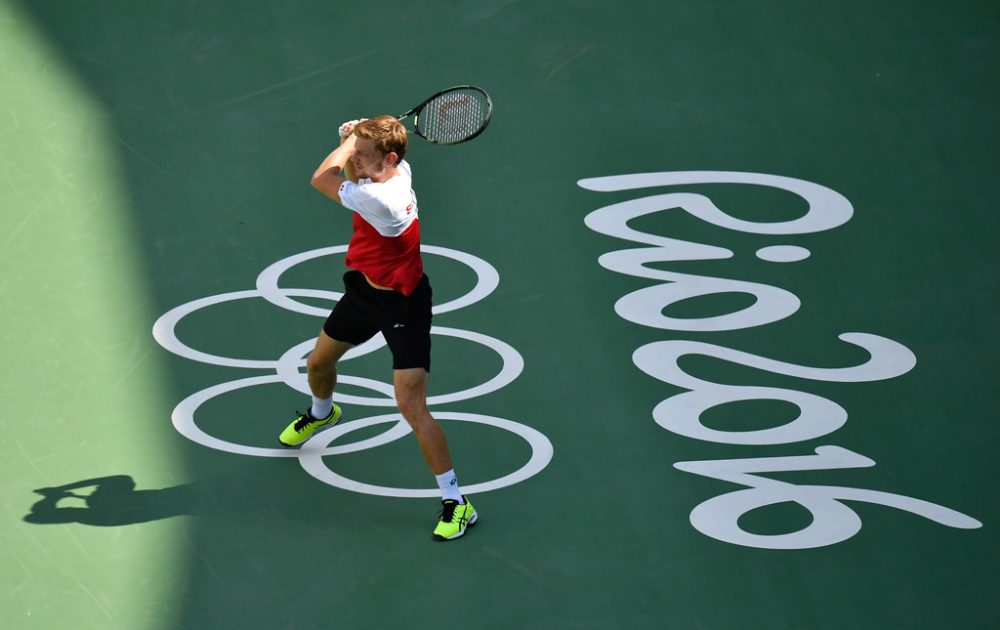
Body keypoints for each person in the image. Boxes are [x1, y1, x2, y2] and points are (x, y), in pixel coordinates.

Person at [278, 115, 476, 541]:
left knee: (411, 406)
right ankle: (322, 413)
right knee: (317, 365)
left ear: (387, 158)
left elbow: (321, 178)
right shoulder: (398, 169)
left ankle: (457, 502)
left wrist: (348, 143)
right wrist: (359, 140)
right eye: (359, 155)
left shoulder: (382, 200)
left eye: (367, 157)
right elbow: (355, 174)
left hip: (404, 303)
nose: (358, 162)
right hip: (365, 295)